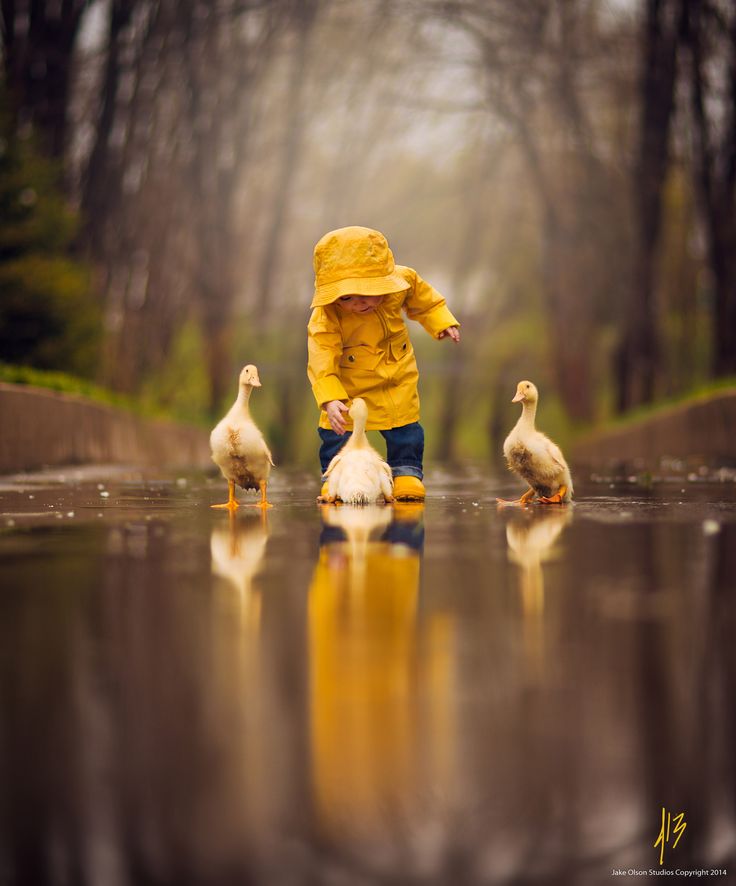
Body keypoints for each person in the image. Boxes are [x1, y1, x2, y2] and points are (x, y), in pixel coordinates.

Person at [307, 225, 460, 502]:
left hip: (395, 377)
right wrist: (330, 398)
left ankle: (406, 473)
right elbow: (321, 356)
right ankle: (335, 478)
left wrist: (442, 322)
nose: (359, 303)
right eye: (347, 297)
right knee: (337, 432)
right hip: (349, 384)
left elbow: (426, 302)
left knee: (405, 429)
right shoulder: (326, 316)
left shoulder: (403, 282)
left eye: (367, 293)